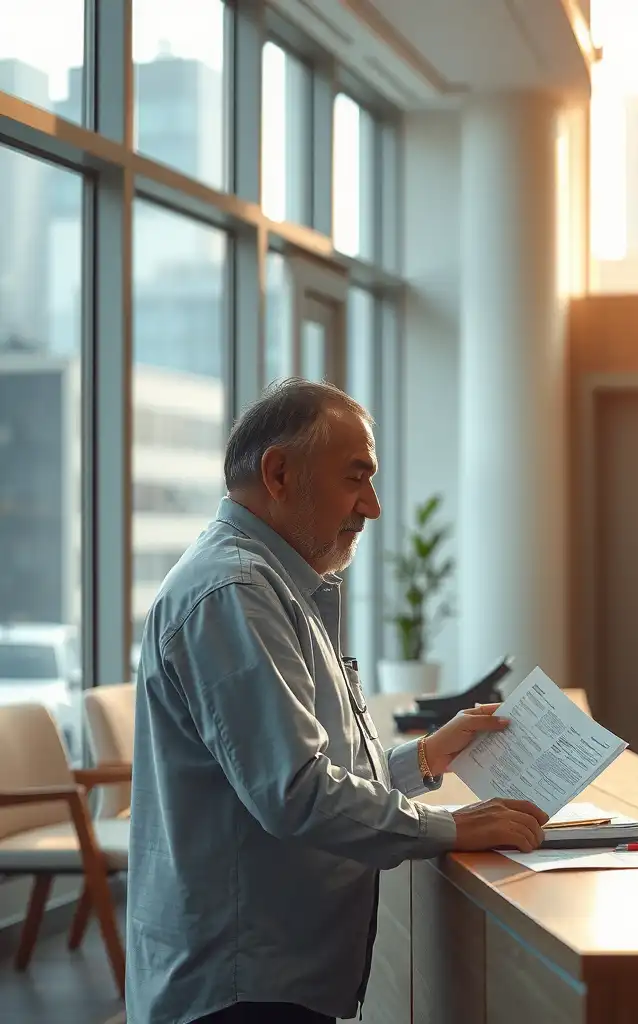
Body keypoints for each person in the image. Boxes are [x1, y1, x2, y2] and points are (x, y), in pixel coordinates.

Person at [126, 379, 548, 1024]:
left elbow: (296, 770)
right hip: (242, 982)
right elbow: (295, 791)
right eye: (356, 478)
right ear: (279, 473)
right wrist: (454, 827)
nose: (372, 507)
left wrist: (427, 758)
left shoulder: (271, 583)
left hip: (266, 970)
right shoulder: (235, 591)